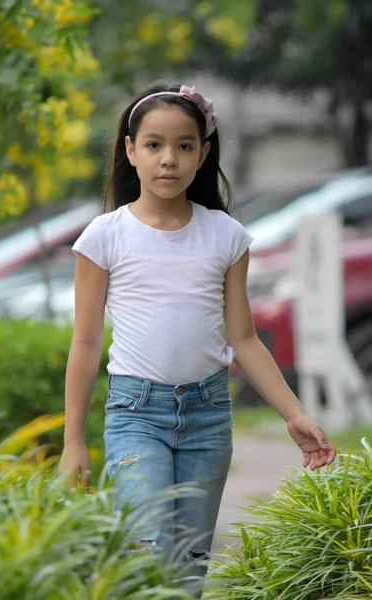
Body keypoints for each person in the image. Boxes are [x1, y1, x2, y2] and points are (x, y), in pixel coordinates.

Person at [60, 82, 337, 597]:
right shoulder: (105, 236)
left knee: (188, 567)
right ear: (130, 149)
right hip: (136, 416)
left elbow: (244, 339)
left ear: (203, 153)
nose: (169, 159)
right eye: (154, 145)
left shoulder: (225, 236)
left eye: (185, 146)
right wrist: (74, 441)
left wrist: (295, 415)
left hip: (209, 419)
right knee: (145, 550)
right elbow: (85, 343)